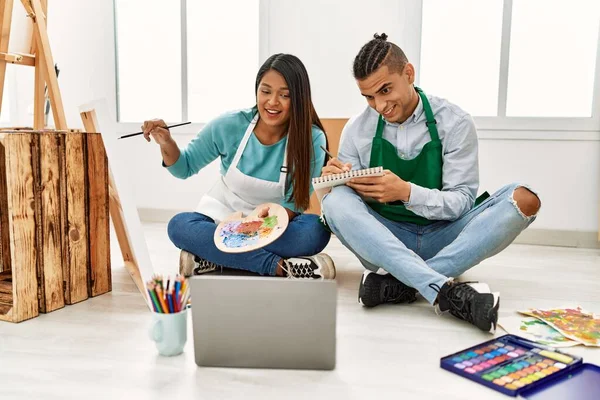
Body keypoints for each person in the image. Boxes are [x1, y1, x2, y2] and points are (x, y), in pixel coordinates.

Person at [320, 33, 540, 332]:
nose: (380, 105)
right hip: (387, 240)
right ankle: (442, 289)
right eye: (369, 97)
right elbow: (350, 211)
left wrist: (406, 192)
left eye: (385, 90)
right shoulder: (357, 130)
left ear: (408, 73)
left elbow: (461, 202)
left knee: (524, 199)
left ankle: (401, 284)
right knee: (335, 201)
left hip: (445, 238)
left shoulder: (455, 122)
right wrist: (339, 178)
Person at [143, 53, 335, 280]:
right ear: (256, 91)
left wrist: (256, 227)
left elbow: (295, 203)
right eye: (265, 91)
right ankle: (275, 266)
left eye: (285, 95)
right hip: (222, 220)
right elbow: (183, 168)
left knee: (316, 230)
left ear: (299, 98)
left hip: (273, 225)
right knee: (179, 225)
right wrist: (166, 141)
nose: (272, 102)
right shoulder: (229, 125)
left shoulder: (311, 139)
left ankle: (212, 258)